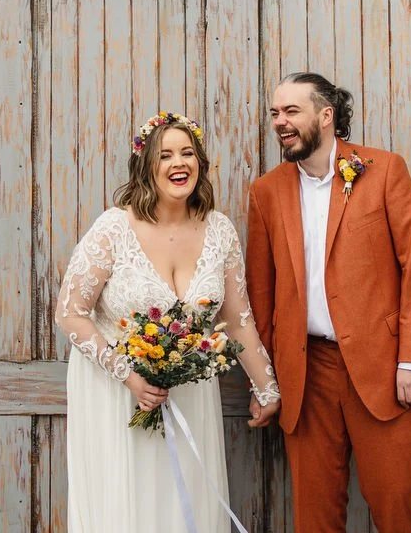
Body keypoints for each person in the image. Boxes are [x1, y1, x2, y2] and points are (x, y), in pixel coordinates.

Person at [56, 111, 280, 533]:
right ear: (147, 167)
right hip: (119, 393)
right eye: (166, 155)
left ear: (200, 162)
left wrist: (266, 387)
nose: (180, 163)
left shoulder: (220, 230)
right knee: (129, 508)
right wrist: (129, 376)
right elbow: (69, 313)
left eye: (187, 153)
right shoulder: (114, 229)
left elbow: (237, 320)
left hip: (190, 392)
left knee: (185, 505)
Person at [245, 73, 411, 533]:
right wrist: (264, 380)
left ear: (326, 115)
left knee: (398, 508)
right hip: (306, 374)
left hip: (386, 368)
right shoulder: (266, 192)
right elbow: (260, 295)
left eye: (292, 111)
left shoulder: (384, 169)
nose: (280, 122)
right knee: (315, 518)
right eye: (275, 113)